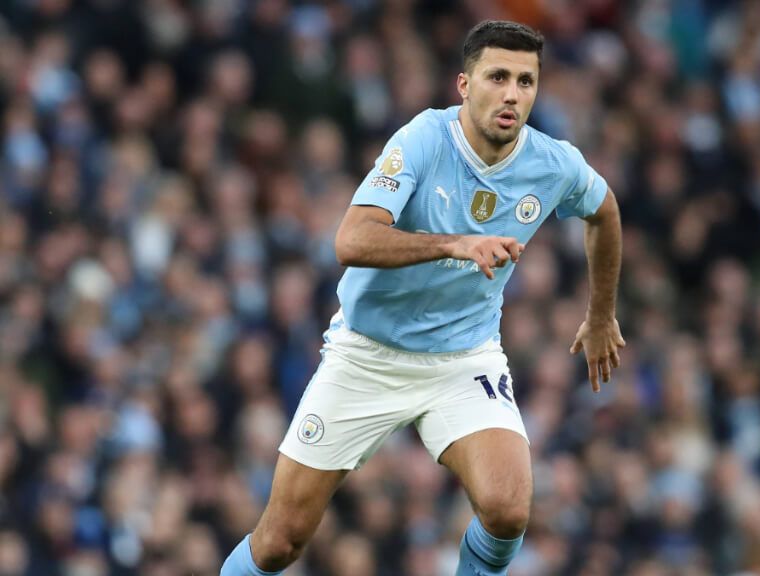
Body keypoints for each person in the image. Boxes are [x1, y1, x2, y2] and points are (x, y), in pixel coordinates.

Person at [221, 19, 625, 576]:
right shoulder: (423, 140)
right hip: (367, 354)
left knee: (508, 510)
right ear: (464, 84)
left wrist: (601, 313)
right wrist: (455, 244)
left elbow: (604, 213)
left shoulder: (552, 163)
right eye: (498, 77)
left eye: (526, 82)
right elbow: (351, 238)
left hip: (463, 359)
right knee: (279, 542)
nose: (512, 94)